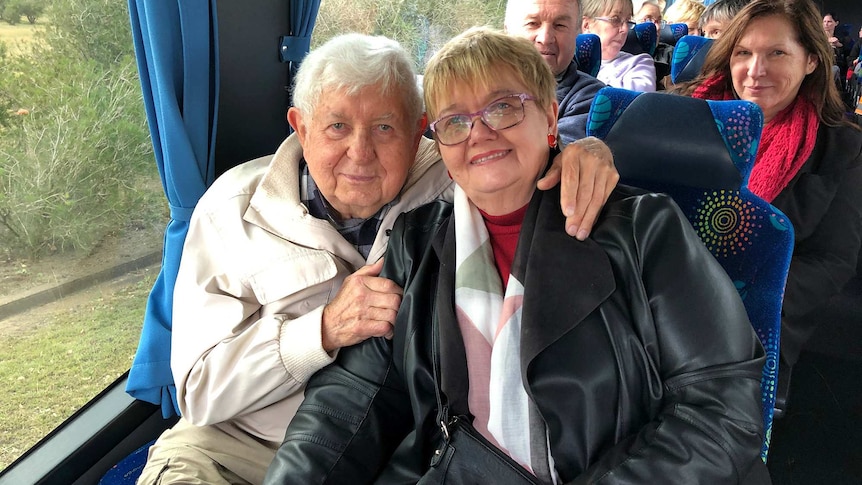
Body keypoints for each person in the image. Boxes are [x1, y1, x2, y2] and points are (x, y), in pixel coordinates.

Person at [265, 26, 768, 484]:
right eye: (455, 121)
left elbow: (719, 412)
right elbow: (351, 401)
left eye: (504, 106)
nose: (479, 132)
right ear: (437, 142)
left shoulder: (644, 230)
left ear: (551, 117)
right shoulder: (415, 245)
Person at [135, 32, 618, 485]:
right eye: (337, 126)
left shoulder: (450, 174)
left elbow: (514, 144)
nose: (360, 153)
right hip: (235, 445)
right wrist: (321, 330)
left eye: (384, 127)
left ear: (417, 135)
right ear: (300, 128)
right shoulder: (230, 211)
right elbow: (199, 393)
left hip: (386, 448)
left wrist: (582, 153)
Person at [674, 0, 862, 413]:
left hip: (755, 323)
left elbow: (833, 259)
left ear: (812, 59)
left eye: (776, 53)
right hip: (659, 298)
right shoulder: (686, 117)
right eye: (743, 52)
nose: (755, 70)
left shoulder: (841, 145)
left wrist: (735, 301)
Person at [504, 0, 606, 146]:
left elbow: (558, 160)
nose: (545, 38)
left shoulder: (594, 99)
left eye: (560, 26)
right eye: (533, 23)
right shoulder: (475, 85)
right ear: (507, 31)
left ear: (577, 33)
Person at [581, 0, 657, 91]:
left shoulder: (638, 64)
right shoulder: (567, 63)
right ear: (586, 25)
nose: (625, 29)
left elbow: (636, 100)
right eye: (615, 19)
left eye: (628, 21)